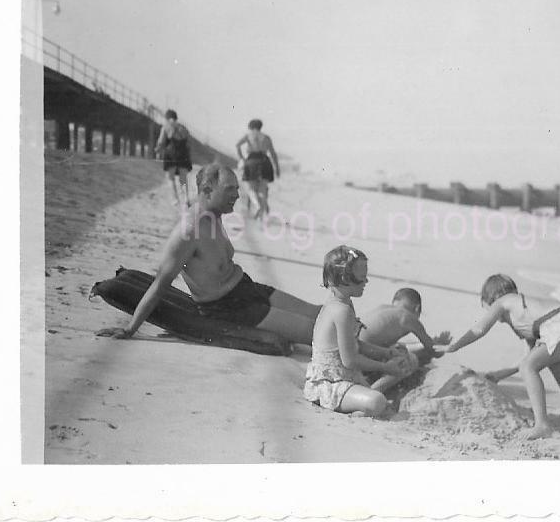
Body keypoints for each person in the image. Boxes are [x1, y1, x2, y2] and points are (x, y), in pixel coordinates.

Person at [96, 164, 321, 345]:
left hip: (246, 289)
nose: (237, 195)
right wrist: (129, 329)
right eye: (229, 189)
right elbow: (159, 285)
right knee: (318, 331)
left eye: (237, 188)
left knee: (318, 313)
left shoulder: (214, 215)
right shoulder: (187, 233)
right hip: (228, 309)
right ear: (206, 190)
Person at [445, 274, 560, 439]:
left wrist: (455, 346)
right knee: (550, 361)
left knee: (529, 367)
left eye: (486, 309)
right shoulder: (527, 315)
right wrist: (498, 375)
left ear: (490, 300)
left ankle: (542, 425)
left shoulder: (501, 302)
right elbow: (528, 356)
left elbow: (480, 329)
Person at [304, 246, 413, 416]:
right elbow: (350, 360)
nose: (366, 282)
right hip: (330, 385)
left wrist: (386, 352)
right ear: (344, 278)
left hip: (343, 376)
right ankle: (360, 408)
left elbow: (354, 343)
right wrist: (385, 367)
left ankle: (361, 403)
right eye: (362, 278)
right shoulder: (341, 311)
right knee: (376, 401)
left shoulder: (344, 303)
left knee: (404, 363)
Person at [359, 288, 453, 392]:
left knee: (399, 347)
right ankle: (372, 391)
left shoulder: (383, 309)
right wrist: (442, 345)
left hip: (352, 352)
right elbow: (433, 351)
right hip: (363, 358)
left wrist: (423, 345)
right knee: (410, 360)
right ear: (417, 309)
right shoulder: (408, 318)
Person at [235, 119, 280, 220]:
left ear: (250, 127)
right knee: (262, 190)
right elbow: (273, 153)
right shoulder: (266, 137)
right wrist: (277, 168)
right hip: (265, 162)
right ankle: (261, 214)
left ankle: (257, 206)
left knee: (251, 189)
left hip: (251, 161)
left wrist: (242, 158)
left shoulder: (248, 135)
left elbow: (237, 145)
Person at [155, 109, 193, 207]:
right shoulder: (184, 128)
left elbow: (161, 142)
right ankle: (186, 199)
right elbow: (188, 145)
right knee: (183, 179)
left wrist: (157, 150)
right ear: (176, 118)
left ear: (167, 118)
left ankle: (175, 200)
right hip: (183, 154)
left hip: (170, 155)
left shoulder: (166, 127)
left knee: (170, 178)